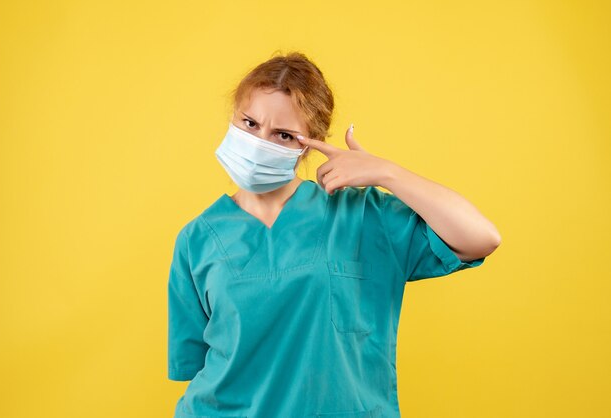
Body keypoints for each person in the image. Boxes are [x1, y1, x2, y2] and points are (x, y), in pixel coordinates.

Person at [167, 51, 501, 418]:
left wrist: (386, 173)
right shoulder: (196, 240)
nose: (260, 141)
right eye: (249, 123)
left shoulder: (361, 214)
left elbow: (480, 237)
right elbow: (200, 367)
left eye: (283, 134)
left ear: (312, 143)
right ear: (232, 117)